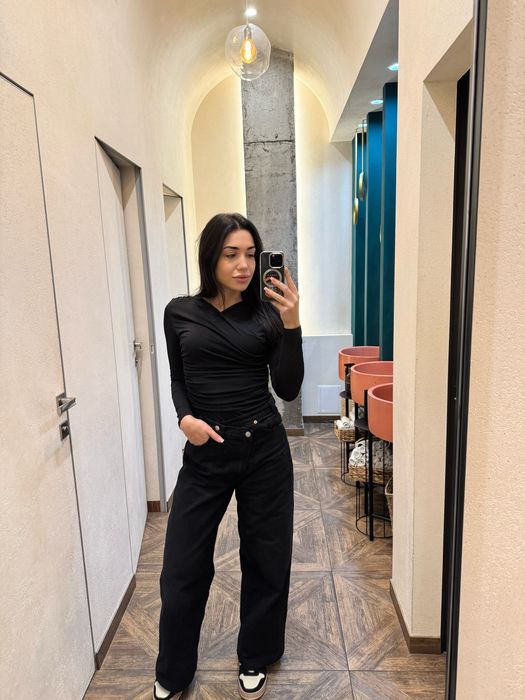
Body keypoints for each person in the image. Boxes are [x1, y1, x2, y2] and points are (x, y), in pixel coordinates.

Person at [153, 213, 304, 700]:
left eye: (251, 255)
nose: (244, 265)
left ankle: (256, 654)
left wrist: (292, 324)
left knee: (266, 557)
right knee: (182, 567)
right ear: (210, 257)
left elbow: (288, 388)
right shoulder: (179, 313)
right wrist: (184, 418)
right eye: (231, 254)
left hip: (265, 451)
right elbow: (178, 377)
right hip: (205, 453)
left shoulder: (267, 315)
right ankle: (173, 670)